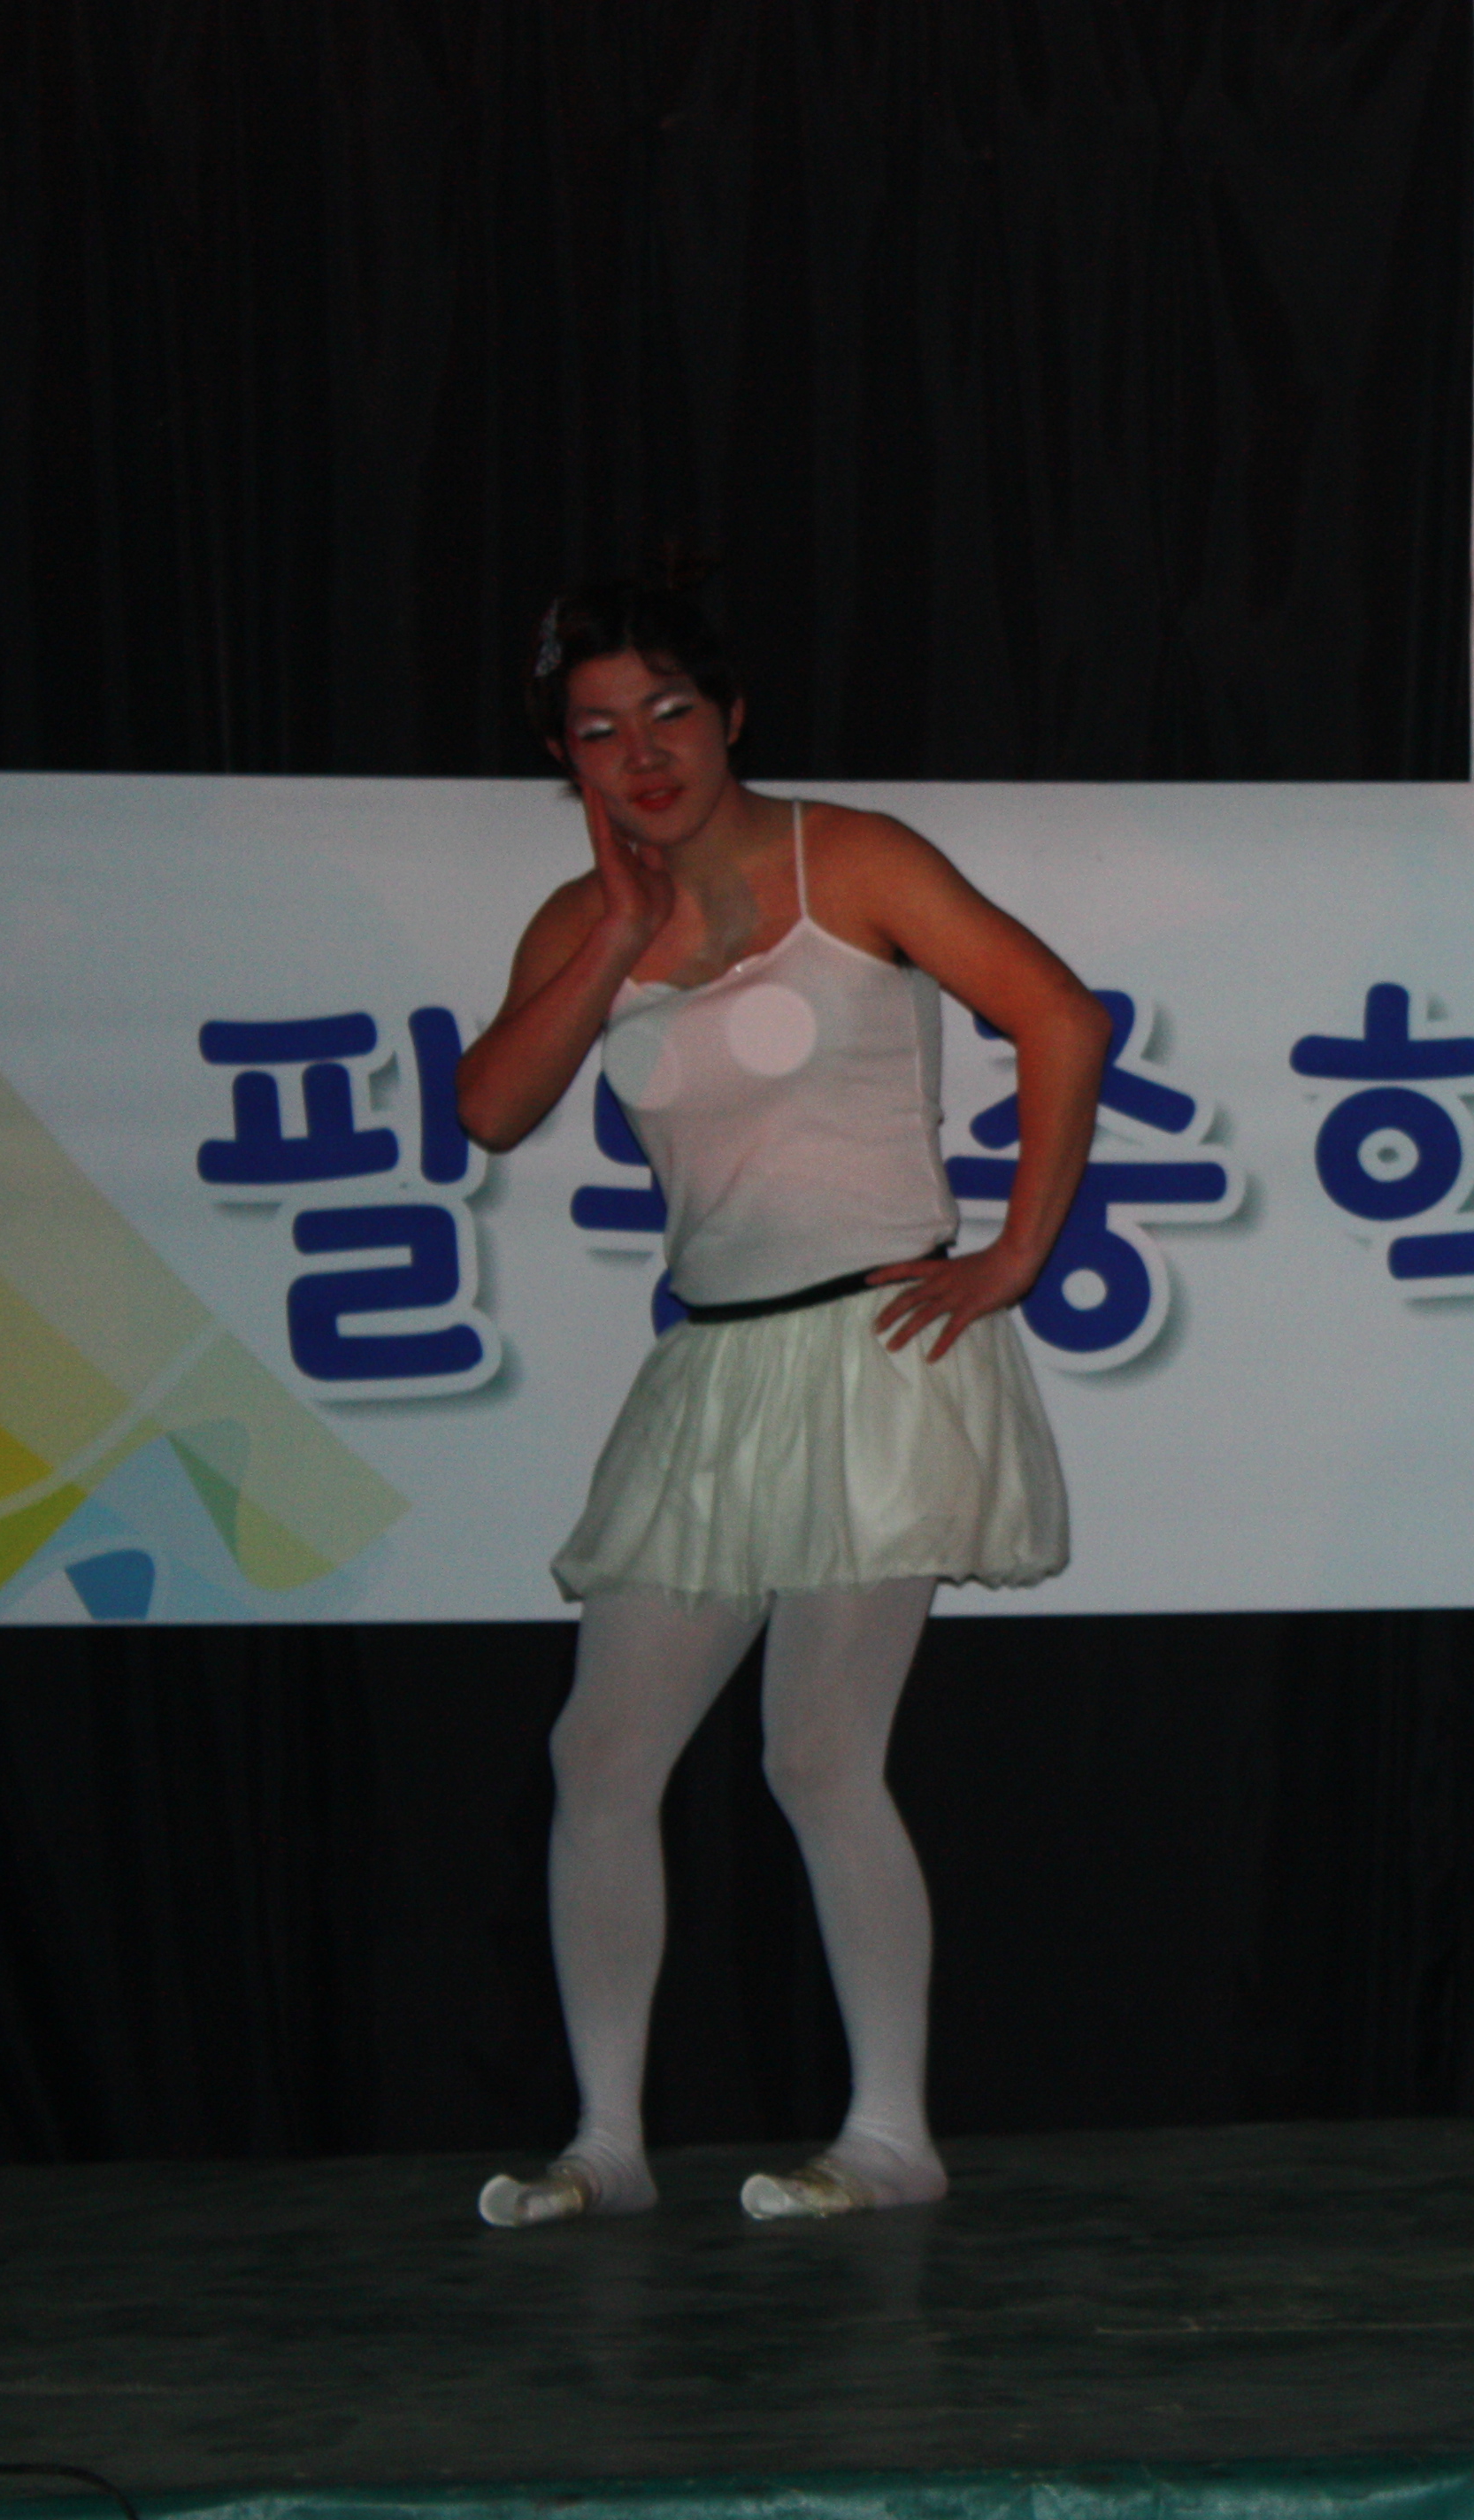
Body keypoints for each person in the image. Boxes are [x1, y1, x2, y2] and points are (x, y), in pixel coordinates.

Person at [455, 575, 1108, 2225]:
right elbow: (493, 1109)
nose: (642, 753)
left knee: (818, 1751)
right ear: (565, 758)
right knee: (603, 1749)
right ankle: (607, 2145)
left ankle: (891, 2136)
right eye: (597, 731)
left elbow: (1058, 1014)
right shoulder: (576, 919)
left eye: (669, 712)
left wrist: (1015, 1253)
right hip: (717, 1363)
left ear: (730, 714)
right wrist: (617, 933)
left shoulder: (856, 859)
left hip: (878, 1351)